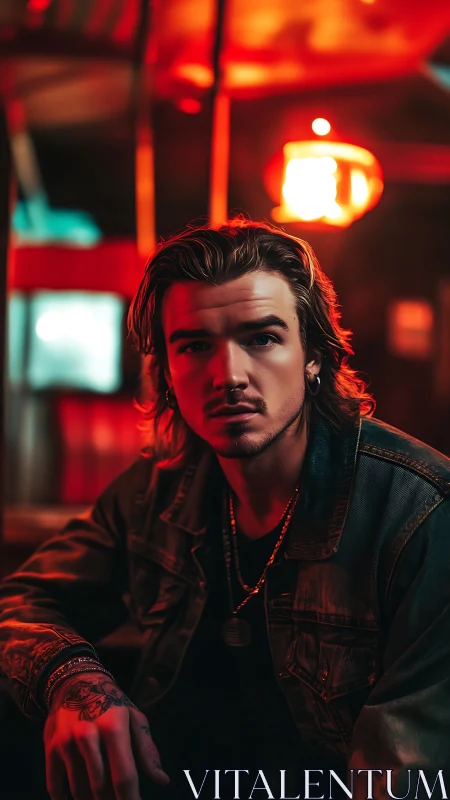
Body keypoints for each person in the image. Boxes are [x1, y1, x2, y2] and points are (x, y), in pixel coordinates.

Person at [1, 219, 450, 800]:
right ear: (166, 372)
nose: (228, 376)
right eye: (194, 346)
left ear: (314, 354)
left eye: (261, 339)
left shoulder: (418, 512)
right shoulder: (156, 491)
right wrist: (74, 680)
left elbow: (401, 777)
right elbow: (20, 601)